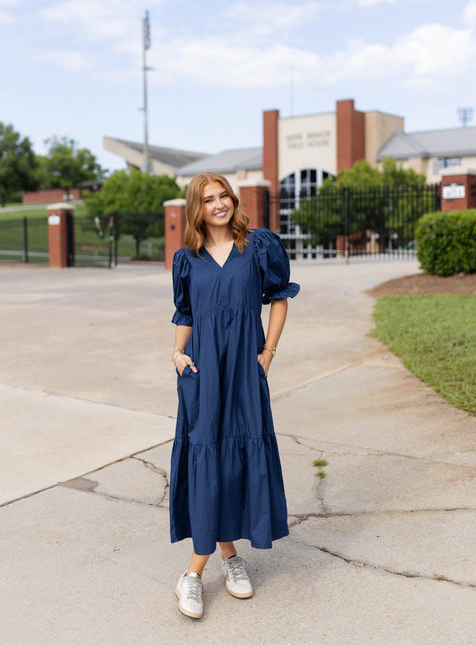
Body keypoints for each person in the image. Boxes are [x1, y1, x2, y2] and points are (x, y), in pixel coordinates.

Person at [169, 172, 300, 619]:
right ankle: (201, 571)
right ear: (197, 208)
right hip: (204, 371)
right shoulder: (186, 258)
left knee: (234, 460)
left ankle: (219, 562)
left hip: (245, 369)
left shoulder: (259, 245)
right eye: (209, 199)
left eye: (224, 195)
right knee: (209, 457)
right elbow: (185, 312)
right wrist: (176, 352)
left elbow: (279, 298)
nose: (220, 204)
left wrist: (268, 352)